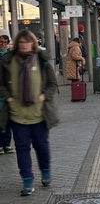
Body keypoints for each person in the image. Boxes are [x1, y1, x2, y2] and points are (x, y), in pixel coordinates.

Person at [0, 30, 59, 196]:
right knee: (22, 148)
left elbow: (52, 84)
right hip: (17, 116)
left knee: (41, 146)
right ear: (17, 44)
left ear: (33, 43)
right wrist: (8, 97)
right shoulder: (8, 61)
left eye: (28, 42)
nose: (24, 45)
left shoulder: (41, 60)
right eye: (21, 42)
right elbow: (1, 84)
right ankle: (27, 180)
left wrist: (43, 96)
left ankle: (45, 171)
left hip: (39, 114)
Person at [0, 34, 14, 155]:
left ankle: (7, 144)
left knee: (8, 119)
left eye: (5, 42)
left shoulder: (10, 56)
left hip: (8, 90)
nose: (3, 44)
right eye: (1, 42)